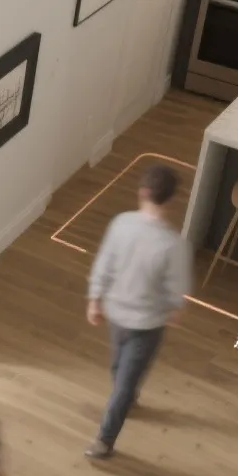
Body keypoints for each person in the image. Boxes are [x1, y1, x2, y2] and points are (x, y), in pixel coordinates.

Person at [83, 163, 192, 460]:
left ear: (142, 192)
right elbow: (177, 286)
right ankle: (106, 437)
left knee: (120, 371)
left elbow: (103, 264)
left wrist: (94, 299)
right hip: (148, 324)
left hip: (116, 315)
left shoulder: (121, 224)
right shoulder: (174, 244)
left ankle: (112, 424)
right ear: (171, 200)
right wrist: (175, 307)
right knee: (125, 380)